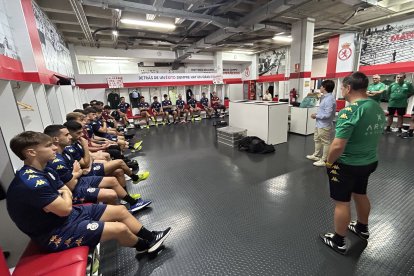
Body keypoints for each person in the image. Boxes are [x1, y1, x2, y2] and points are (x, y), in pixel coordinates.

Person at [7, 131, 171, 253]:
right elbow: (65, 207)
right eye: (49, 146)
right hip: (54, 233)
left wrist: (64, 195)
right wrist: (64, 195)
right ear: (31, 152)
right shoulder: (32, 183)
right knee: (119, 229)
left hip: (65, 218)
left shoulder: (45, 170)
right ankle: (145, 247)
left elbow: (64, 190)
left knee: (120, 210)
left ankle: (151, 237)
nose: (55, 148)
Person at [320, 72, 385, 255]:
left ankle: (338, 241)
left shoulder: (350, 110)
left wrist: (329, 162)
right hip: (369, 161)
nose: (341, 90)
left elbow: (338, 144)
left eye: (342, 87)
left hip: (347, 164)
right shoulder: (376, 107)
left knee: (342, 202)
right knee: (360, 193)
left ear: (348, 88)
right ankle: (362, 228)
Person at [44, 125, 150, 211]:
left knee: (117, 171)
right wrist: (79, 171)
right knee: (116, 172)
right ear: (56, 139)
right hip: (77, 184)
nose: (70, 137)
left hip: (81, 177)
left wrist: (80, 170)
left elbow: (84, 163)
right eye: (67, 135)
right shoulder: (57, 160)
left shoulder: (65, 150)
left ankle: (129, 201)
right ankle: (122, 208)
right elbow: (73, 182)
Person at [306, 80, 336, 166]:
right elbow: (323, 111)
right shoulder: (325, 97)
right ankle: (316, 155)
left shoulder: (330, 99)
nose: (320, 88)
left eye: (321, 86)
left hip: (324, 124)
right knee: (317, 139)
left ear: (325, 88)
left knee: (326, 142)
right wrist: (317, 115)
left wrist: (316, 116)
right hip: (319, 123)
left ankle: (324, 160)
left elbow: (327, 114)